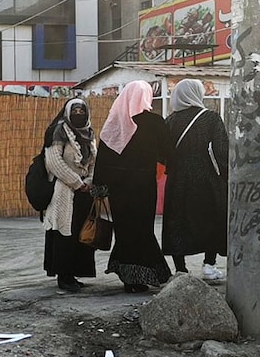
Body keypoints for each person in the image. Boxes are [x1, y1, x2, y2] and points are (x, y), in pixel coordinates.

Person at [94, 80, 175, 292]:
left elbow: (102, 159)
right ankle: (147, 273)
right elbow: (168, 153)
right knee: (143, 229)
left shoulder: (114, 123)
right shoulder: (155, 123)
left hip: (118, 190)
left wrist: (99, 188)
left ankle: (131, 278)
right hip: (143, 187)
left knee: (124, 231)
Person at [162, 79, 228, 279]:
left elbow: (161, 152)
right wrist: (226, 176)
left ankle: (180, 269)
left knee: (177, 220)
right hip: (204, 176)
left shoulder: (170, 121)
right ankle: (209, 265)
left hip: (177, 178)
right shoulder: (210, 118)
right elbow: (221, 151)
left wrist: (173, 165)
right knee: (211, 217)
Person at [42, 98, 97, 293]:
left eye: (83, 111)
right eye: (76, 111)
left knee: (80, 235)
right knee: (64, 234)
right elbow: (53, 162)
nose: (79, 115)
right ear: (68, 112)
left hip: (84, 193)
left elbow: (93, 161)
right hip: (64, 192)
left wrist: (89, 181)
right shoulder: (58, 132)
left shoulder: (89, 133)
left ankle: (74, 273)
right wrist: (76, 182)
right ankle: (63, 276)